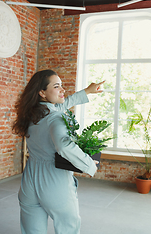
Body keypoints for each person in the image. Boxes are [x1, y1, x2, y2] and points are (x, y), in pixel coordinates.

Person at [12, 69, 104, 234]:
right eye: (57, 86)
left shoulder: (32, 115)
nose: (62, 90)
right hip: (53, 180)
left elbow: (64, 103)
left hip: (29, 179)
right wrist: (89, 164)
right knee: (68, 227)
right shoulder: (55, 117)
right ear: (42, 92)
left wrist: (87, 91)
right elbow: (64, 145)